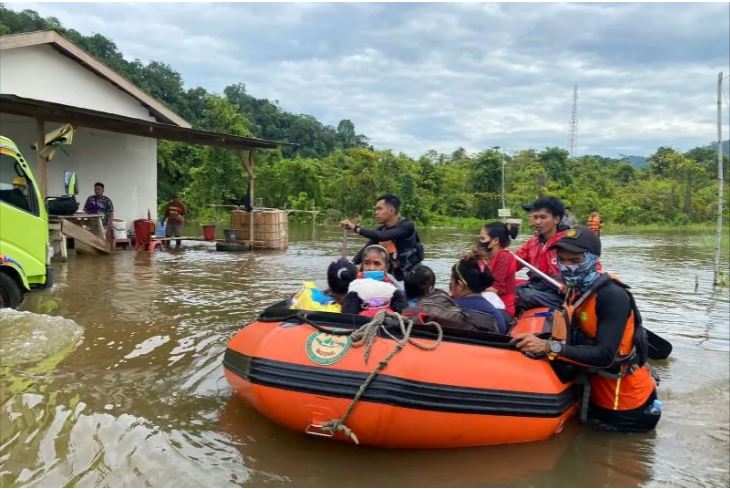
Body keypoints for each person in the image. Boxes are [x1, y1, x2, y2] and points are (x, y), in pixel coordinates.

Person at [514, 226, 661, 432]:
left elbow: (605, 356)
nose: (567, 267)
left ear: (593, 260)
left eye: (575, 261)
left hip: (626, 406)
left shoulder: (612, 296)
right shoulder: (576, 289)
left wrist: (549, 347)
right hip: (595, 395)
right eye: (562, 260)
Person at [340, 194, 423, 281]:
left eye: (379, 209)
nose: (376, 213)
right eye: (376, 209)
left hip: (413, 275)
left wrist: (355, 228)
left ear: (391, 211)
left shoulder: (407, 226)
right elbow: (366, 249)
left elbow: (382, 236)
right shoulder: (382, 229)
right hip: (396, 274)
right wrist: (351, 264)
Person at [514, 196, 569, 311]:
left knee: (526, 295)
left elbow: (591, 268)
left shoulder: (570, 242)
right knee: (509, 288)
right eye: (535, 217)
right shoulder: (532, 243)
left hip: (560, 294)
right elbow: (512, 264)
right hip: (539, 289)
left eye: (543, 217)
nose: (538, 222)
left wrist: (571, 284)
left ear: (556, 219)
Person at [342, 245, 408, 315]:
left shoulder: (393, 286)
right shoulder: (353, 285)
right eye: (367, 263)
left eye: (377, 263)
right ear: (362, 265)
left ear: (386, 267)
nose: (371, 268)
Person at [449, 254, 507, 334]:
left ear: (460, 285)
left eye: (451, 281)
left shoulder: (449, 309)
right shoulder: (496, 315)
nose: (450, 284)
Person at [478, 221, 518, 317]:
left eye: (483, 239)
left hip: (502, 306)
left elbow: (496, 289)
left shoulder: (503, 256)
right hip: (488, 301)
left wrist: (468, 291)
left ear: (495, 240)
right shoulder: (486, 257)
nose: (480, 242)